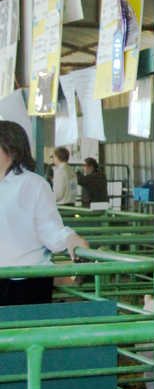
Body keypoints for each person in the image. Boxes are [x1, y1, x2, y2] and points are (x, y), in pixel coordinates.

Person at [0, 121, 89, 306]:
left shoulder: (33, 184)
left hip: (25, 281)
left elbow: (49, 228)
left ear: (12, 150)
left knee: (25, 333)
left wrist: (70, 238)